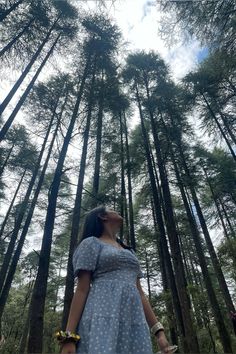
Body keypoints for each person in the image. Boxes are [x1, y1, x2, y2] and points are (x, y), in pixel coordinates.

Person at [59, 205, 176, 354]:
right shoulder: (91, 243)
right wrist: (69, 338)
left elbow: (140, 293)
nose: (117, 210)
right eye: (111, 209)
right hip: (101, 316)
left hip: (134, 321)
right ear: (103, 216)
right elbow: (82, 290)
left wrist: (159, 332)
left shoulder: (130, 252)